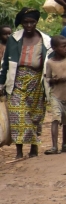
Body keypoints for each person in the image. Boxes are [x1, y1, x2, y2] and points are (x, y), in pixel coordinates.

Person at [2, 8, 51, 158]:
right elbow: (5, 63)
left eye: (32, 22)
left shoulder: (46, 40)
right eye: (25, 22)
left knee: (35, 115)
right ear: (22, 23)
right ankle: (19, 150)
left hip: (36, 80)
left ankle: (34, 148)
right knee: (17, 115)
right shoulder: (14, 39)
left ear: (37, 22)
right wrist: (1, 82)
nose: (29, 25)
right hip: (16, 79)